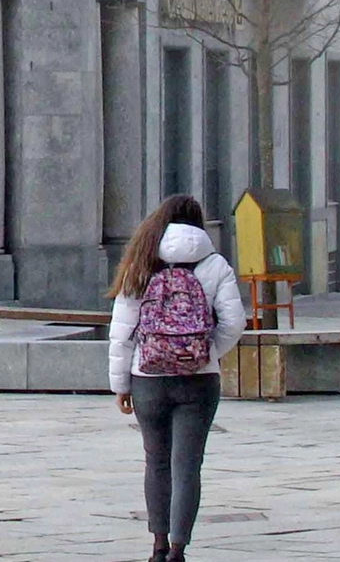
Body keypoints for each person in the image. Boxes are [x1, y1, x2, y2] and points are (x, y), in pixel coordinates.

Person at [107, 195, 246, 562]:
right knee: (188, 464)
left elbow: (121, 331)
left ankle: (157, 545)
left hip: (148, 377)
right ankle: (179, 550)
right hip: (198, 380)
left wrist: (120, 384)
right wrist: (204, 352)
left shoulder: (142, 260)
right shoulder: (215, 264)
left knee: (156, 461)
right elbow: (234, 322)